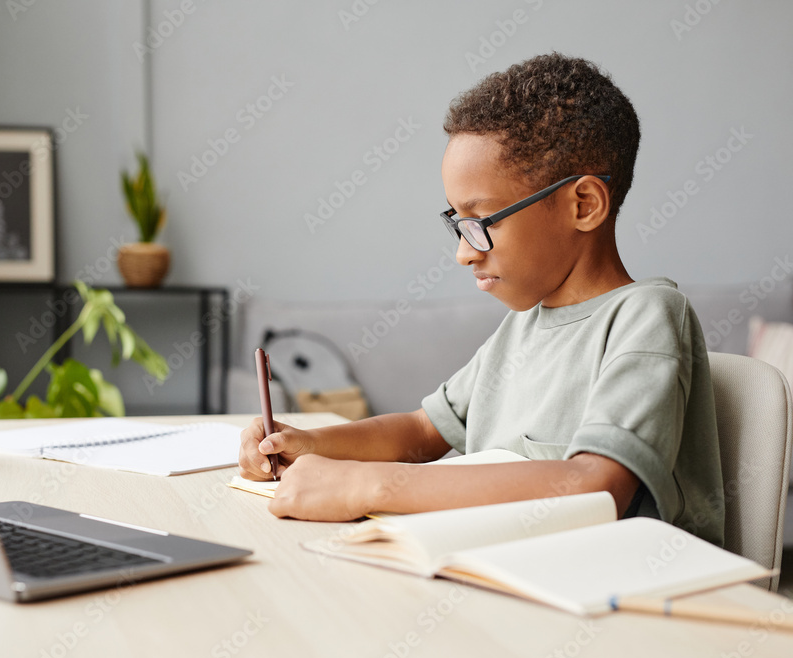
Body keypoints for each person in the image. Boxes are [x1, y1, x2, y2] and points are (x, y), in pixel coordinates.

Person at [238, 53, 724, 547]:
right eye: (457, 223)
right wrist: (306, 445)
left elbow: (594, 486)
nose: (463, 253)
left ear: (584, 205)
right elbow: (423, 431)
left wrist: (369, 485)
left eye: (482, 223)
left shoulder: (647, 318)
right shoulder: (525, 325)